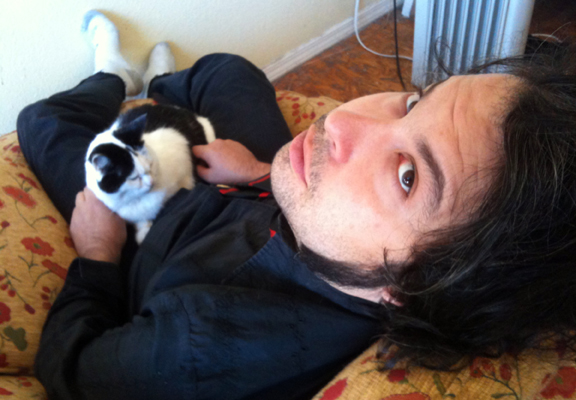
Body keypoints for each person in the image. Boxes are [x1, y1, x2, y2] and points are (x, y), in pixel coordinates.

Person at [16, 10, 576, 400]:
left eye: (407, 175)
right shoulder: (353, 251)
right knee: (227, 71)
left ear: (414, 287)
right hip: (272, 198)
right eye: (414, 102)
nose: (344, 121)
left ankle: (111, 77)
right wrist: (260, 172)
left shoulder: (199, 344)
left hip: (162, 230)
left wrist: (97, 254)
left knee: (43, 121)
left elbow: (71, 369)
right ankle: (157, 81)